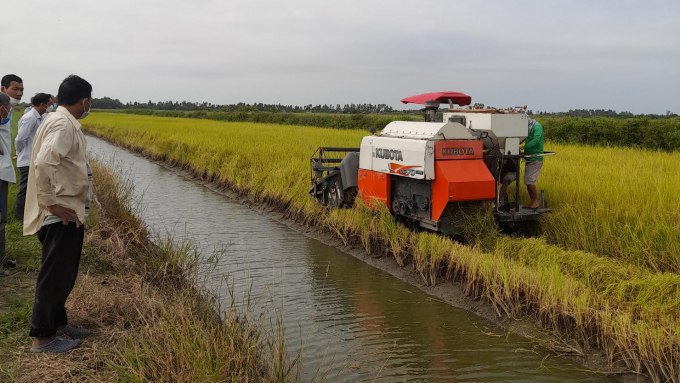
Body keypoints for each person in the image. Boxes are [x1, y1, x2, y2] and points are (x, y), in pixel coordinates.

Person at [24, 75, 93, 353]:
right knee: (54, 277)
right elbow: (43, 162)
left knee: (63, 274)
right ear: (85, 100)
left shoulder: (57, 119)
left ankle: (59, 325)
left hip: (66, 211)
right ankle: (43, 338)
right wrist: (51, 204)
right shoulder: (63, 124)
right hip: (60, 213)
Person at [15, 93, 53, 220]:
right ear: (42, 104)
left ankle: (31, 213)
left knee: (33, 188)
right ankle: (19, 216)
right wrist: (20, 153)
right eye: (49, 104)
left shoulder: (40, 117)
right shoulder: (30, 118)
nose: (51, 106)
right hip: (27, 159)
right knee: (25, 188)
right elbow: (20, 139)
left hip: (34, 158)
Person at [0, 75, 23, 269]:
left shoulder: (9, 111)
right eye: (15, 89)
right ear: (3, 89)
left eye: (21, 90)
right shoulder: (2, 108)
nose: (19, 93)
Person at [523, 118, 544, 209]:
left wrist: (523, 147)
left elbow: (536, 140)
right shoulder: (529, 128)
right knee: (527, 181)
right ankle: (532, 201)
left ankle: (536, 201)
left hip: (535, 158)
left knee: (530, 181)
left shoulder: (537, 127)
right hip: (529, 157)